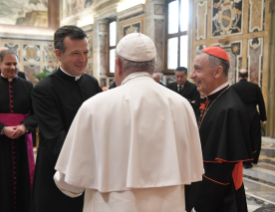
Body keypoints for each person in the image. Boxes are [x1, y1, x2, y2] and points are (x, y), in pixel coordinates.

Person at [54, 33, 203, 211]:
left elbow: (70, 181)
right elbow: (194, 173)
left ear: (117, 65)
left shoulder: (95, 106)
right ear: (153, 65)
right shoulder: (181, 105)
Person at [31, 25, 102, 212]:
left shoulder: (92, 83)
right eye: (75, 53)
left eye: (86, 52)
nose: (83, 59)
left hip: (90, 172)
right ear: (58, 54)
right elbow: (57, 139)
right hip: (58, 173)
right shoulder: (44, 90)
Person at [188, 46, 254, 212]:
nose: (192, 75)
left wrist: (199, 205)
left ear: (217, 72)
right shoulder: (216, 100)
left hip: (222, 200)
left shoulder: (229, 109)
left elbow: (220, 171)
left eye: (197, 69)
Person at [0, 50, 37, 212]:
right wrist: (3, 129)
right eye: (8, 64)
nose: (12, 67)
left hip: (22, 142)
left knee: (24, 181)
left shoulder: (28, 86)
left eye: (15, 63)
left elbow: (36, 114)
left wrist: (24, 126)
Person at [231, 69, 267, 168]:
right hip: (252, 114)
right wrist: (263, 117)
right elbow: (261, 103)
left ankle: (240, 159)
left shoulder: (233, 87)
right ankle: (251, 159)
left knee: (239, 136)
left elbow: (230, 103)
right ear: (247, 76)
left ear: (238, 76)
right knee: (254, 137)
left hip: (238, 114)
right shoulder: (255, 87)